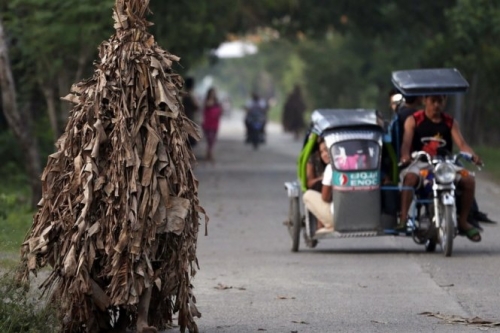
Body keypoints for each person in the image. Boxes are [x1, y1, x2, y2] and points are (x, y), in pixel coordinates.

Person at [399, 94, 482, 242]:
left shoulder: (450, 122)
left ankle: (463, 221)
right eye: (433, 101)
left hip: (445, 163)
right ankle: (404, 219)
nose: (436, 105)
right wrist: (405, 156)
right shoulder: (414, 120)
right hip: (421, 162)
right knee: (410, 178)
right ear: (425, 100)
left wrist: (473, 156)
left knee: (469, 180)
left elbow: (462, 145)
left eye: (440, 101)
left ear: (445, 102)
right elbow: (406, 144)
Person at [303, 140, 334, 235]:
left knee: (307, 195)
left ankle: (326, 223)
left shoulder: (330, 168)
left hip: (336, 218)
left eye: (327, 150)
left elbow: (325, 197)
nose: (325, 154)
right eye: (322, 152)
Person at [202, 87, 223, 162]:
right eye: (211, 93)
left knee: (213, 140)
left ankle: (209, 154)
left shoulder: (217, 102)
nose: (213, 94)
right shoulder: (207, 101)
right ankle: (210, 154)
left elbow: (221, 111)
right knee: (209, 139)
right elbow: (208, 105)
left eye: (214, 93)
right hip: (207, 123)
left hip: (215, 123)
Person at [182, 77, 200, 147]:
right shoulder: (190, 94)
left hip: (185, 117)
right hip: (190, 118)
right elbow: (196, 106)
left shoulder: (183, 94)